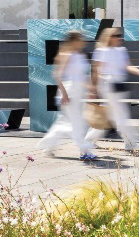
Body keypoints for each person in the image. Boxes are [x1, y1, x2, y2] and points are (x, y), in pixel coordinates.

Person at [87, 26, 139, 154]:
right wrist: (93, 89)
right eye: (116, 36)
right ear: (109, 37)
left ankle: (89, 140)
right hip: (108, 86)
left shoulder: (122, 50)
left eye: (120, 35)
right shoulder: (102, 51)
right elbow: (96, 71)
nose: (120, 38)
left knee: (108, 115)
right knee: (121, 115)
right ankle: (130, 143)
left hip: (119, 86)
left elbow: (127, 66)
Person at [37, 30, 97, 162]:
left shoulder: (80, 55)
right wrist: (64, 93)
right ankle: (84, 150)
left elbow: (81, 76)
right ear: (74, 40)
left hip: (78, 92)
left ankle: (48, 146)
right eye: (80, 39)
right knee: (77, 123)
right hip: (69, 91)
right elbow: (57, 75)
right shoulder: (66, 54)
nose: (83, 41)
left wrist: (90, 88)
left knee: (66, 122)